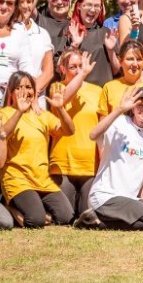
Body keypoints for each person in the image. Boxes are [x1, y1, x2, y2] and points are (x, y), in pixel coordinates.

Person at [76, 87, 143, 230]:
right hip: (106, 197)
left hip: (130, 199)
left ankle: (98, 220)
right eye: (141, 105)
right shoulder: (119, 123)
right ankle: (91, 221)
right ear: (133, 107)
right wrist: (119, 109)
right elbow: (93, 135)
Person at [0, 71, 75, 228]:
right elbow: (2, 134)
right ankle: (8, 205)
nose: (25, 91)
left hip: (42, 179)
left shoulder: (42, 115)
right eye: (19, 87)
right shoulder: (3, 113)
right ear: (11, 92)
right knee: (35, 220)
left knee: (66, 217)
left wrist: (60, 109)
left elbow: (69, 131)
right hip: (18, 179)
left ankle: (38, 210)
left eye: (28, 87)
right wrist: (19, 111)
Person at [98, 41, 143, 183]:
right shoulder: (109, 87)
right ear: (120, 61)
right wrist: (103, 160)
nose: (135, 64)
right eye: (130, 59)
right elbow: (103, 129)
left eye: (139, 59)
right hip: (117, 163)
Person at [49, 51, 102, 216]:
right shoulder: (57, 87)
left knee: (87, 215)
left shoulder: (97, 91)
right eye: (73, 67)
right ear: (63, 69)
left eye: (81, 66)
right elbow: (62, 99)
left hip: (90, 163)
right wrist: (83, 74)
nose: (79, 70)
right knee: (64, 216)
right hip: (63, 162)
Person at [65, 0, 119, 87]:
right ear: (79, 6)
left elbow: (116, 70)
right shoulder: (70, 31)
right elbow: (61, 69)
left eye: (97, 6)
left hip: (105, 90)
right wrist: (74, 45)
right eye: (89, 5)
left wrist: (111, 51)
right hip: (82, 91)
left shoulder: (106, 33)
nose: (93, 9)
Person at [12, 0, 54, 102]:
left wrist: (31, 93)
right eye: (21, 2)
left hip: (36, 100)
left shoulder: (42, 33)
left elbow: (48, 71)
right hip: (9, 98)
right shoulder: (3, 30)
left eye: (29, 1)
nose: (26, 6)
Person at [0, 0, 32, 106]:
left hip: (9, 100)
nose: (4, 6)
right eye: (0, 1)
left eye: (9, 3)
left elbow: (26, 67)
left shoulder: (20, 30)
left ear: (15, 7)